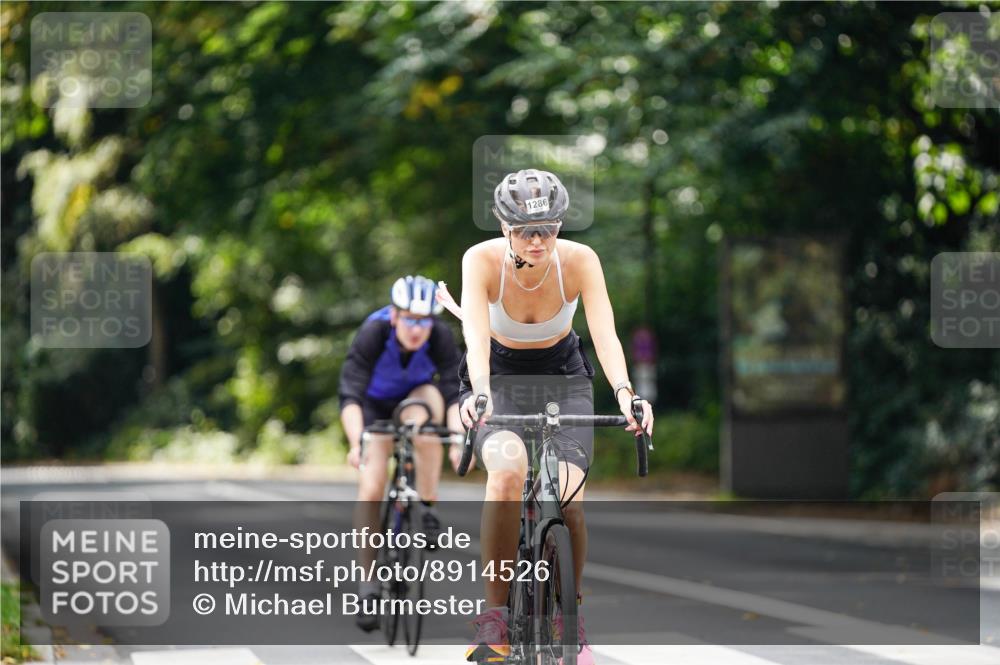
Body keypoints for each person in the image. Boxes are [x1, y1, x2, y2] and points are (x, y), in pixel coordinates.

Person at [445, 169, 654, 665]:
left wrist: (626, 394)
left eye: (550, 229)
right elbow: (475, 335)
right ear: (504, 228)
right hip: (495, 379)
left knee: (567, 494)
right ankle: (495, 619)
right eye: (525, 231)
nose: (539, 241)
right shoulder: (481, 261)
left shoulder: (580, 261)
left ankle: (570, 618)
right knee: (508, 474)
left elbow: (604, 334)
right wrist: (478, 393)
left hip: (564, 378)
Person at [338, 275, 463, 632]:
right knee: (372, 486)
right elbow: (350, 395)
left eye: (423, 321)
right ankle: (367, 583)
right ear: (394, 315)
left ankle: (426, 507)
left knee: (424, 426)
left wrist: (457, 440)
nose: (416, 329)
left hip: (417, 399)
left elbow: (455, 393)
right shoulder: (373, 333)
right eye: (409, 319)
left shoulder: (438, 336)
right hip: (374, 407)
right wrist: (355, 442)